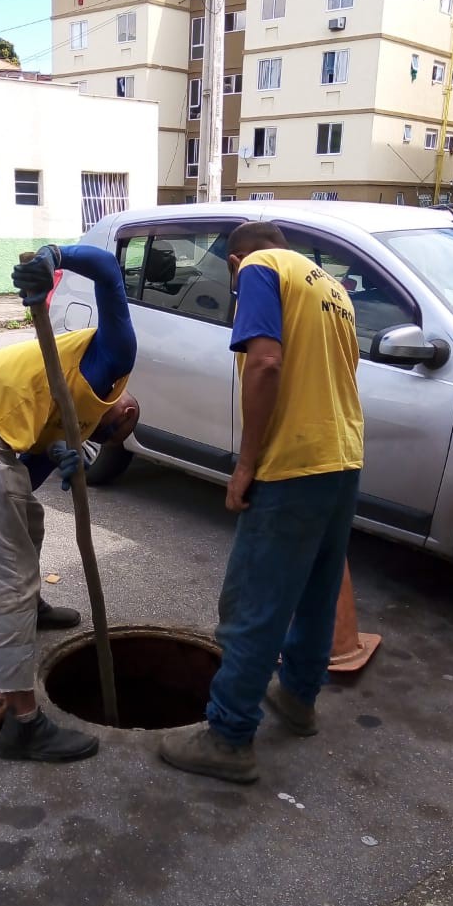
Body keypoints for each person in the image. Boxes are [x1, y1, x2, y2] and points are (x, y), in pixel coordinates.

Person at [160, 221, 364, 784]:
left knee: (254, 600)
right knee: (317, 591)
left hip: (294, 462)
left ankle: (228, 737)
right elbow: (346, 374)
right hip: (343, 458)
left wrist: (246, 464)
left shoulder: (258, 268)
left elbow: (267, 363)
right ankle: (298, 698)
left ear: (234, 260)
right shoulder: (332, 288)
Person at [0, 242, 138, 764]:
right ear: (126, 405)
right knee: (8, 573)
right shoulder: (115, 355)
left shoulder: (78, 419)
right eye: (125, 421)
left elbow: (25, 479)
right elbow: (109, 271)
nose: (125, 423)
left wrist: (64, 457)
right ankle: (22, 723)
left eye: (111, 435)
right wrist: (54, 255)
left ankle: (32, 610)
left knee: (29, 516)